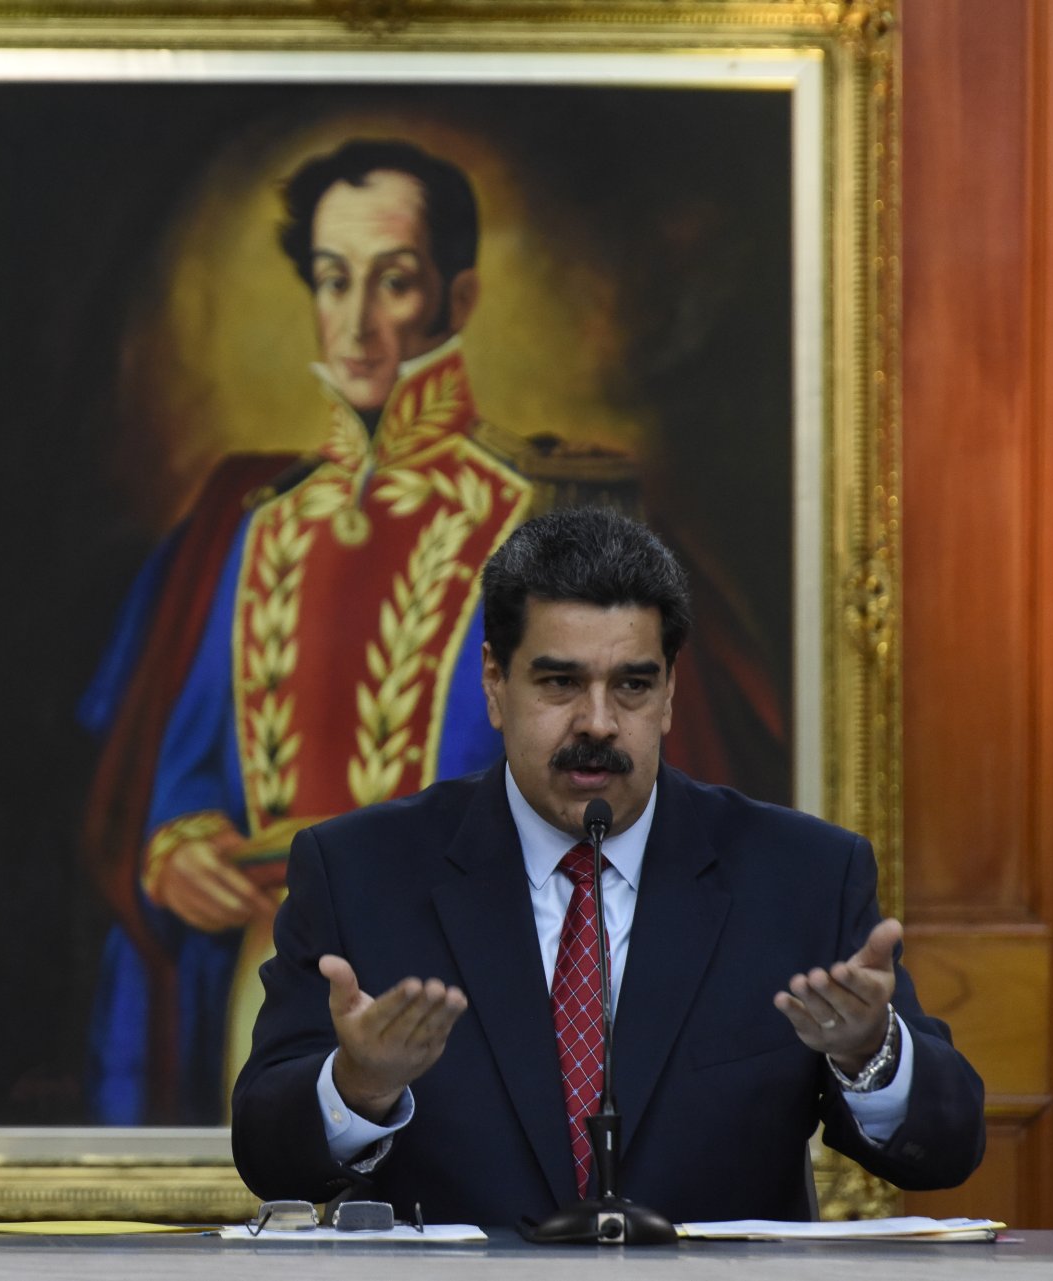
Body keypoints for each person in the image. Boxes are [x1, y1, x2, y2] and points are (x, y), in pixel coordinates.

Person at [80, 139, 782, 1127]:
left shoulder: (548, 511)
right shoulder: (252, 522)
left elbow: (640, 793)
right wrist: (178, 843)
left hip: (491, 999)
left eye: (394, 281)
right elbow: (184, 762)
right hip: (266, 990)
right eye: (334, 280)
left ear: (456, 299)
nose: (357, 320)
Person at [229, 507, 985, 1224]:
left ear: (670, 692)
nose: (597, 722)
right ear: (495, 683)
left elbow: (947, 1148)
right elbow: (267, 1153)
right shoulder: (360, 871)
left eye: (632, 684)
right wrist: (359, 1085)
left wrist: (869, 1052)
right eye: (560, 683)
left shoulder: (802, 877)